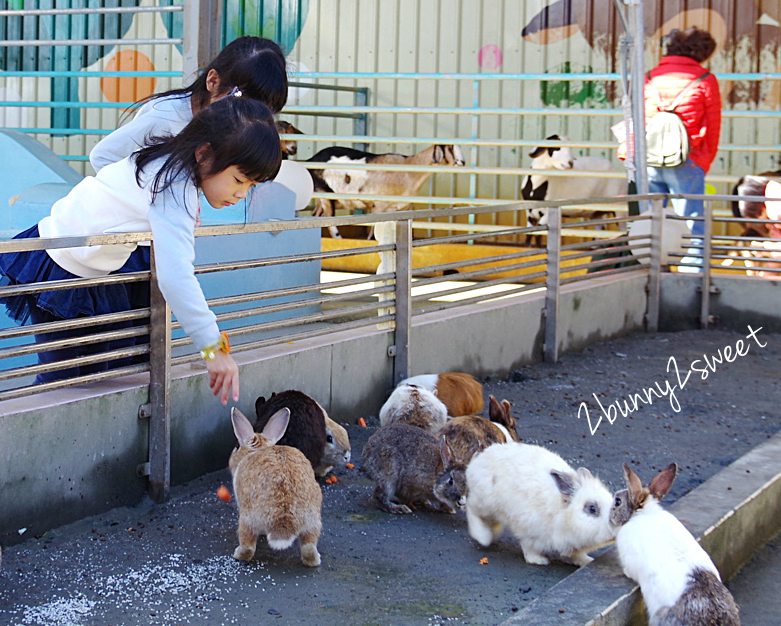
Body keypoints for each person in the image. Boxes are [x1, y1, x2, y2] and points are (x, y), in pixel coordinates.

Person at [0, 97, 282, 404]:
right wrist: (213, 348)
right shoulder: (174, 187)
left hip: (97, 268)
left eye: (251, 185)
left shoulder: (168, 159)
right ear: (204, 153)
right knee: (62, 378)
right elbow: (176, 276)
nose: (241, 193)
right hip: (59, 266)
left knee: (104, 371)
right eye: (239, 180)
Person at [89, 36, 312, 212]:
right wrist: (151, 210)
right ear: (213, 81)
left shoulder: (226, 130)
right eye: (243, 105)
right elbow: (103, 156)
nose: (248, 119)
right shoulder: (166, 117)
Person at [644, 27, 722, 272]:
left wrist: (632, 156)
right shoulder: (705, 80)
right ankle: (690, 283)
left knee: (649, 222)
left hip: (650, 159)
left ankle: (651, 273)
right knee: (692, 225)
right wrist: (701, 163)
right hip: (688, 161)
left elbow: (638, 119)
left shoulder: (650, 77)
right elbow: (712, 127)